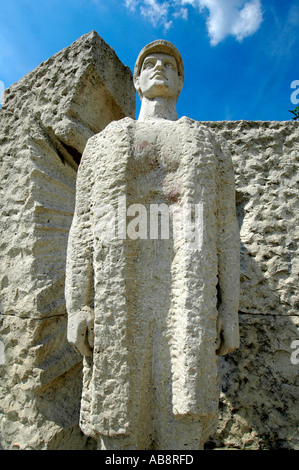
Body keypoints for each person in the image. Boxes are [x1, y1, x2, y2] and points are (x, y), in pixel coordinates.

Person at [65, 40, 240, 450]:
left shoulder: (209, 147)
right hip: (119, 296)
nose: (159, 67)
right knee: (118, 423)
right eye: (150, 63)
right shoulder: (103, 144)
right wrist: (78, 304)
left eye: (169, 64)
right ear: (137, 81)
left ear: (180, 81)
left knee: (184, 424)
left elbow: (225, 230)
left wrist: (228, 308)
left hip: (186, 297)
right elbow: (81, 225)